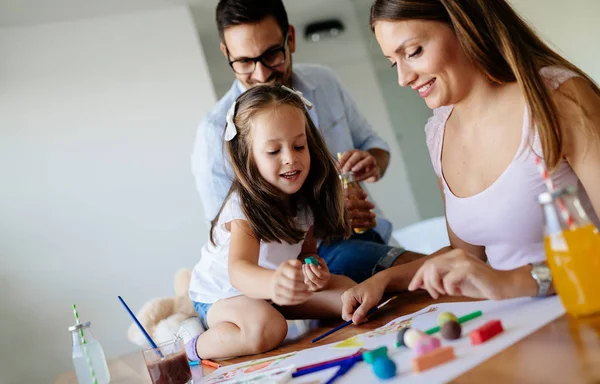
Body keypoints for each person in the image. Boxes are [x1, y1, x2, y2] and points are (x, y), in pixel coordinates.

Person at [341, 0, 600, 324]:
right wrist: (386, 281)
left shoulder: (557, 99)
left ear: (463, 25)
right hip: (516, 329)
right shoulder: (439, 132)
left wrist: (508, 282)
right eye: (394, 63)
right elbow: (466, 257)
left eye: (414, 51)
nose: (403, 78)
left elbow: (492, 274)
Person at [192, 0, 422, 285]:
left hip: (369, 233)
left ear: (290, 38)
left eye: (272, 55)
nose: (262, 75)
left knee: (424, 273)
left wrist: (372, 160)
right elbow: (228, 240)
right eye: (244, 62)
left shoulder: (324, 82)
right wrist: (329, 215)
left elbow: (374, 145)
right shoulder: (215, 132)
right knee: (421, 271)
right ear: (226, 53)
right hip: (305, 266)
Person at [182, 85, 356, 360]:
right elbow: (239, 271)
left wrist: (314, 268)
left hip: (272, 292)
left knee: (349, 293)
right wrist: (275, 282)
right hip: (223, 294)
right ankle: (191, 344)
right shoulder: (243, 206)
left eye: (299, 146)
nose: (290, 158)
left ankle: (273, 307)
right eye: (274, 151)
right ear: (248, 156)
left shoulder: (303, 201)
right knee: (267, 328)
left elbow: (307, 251)